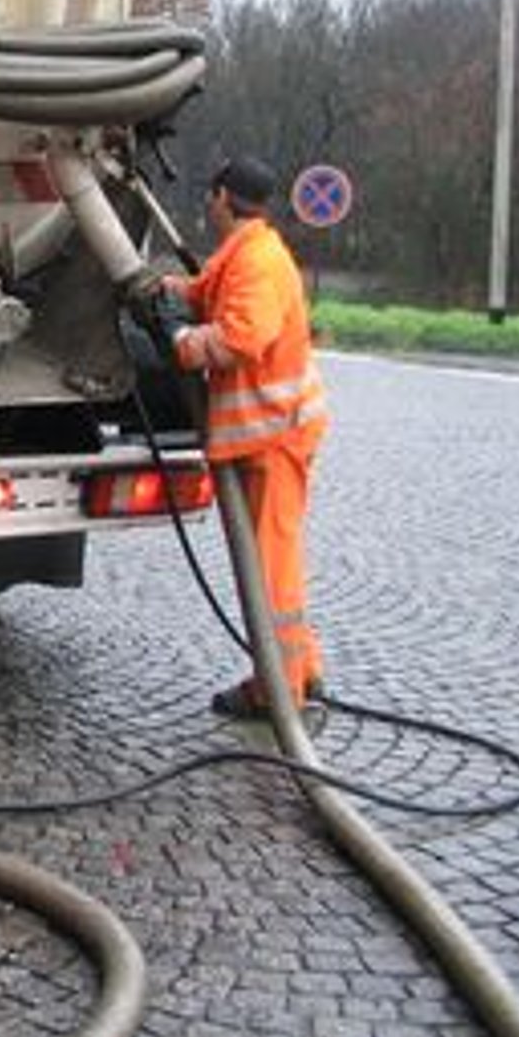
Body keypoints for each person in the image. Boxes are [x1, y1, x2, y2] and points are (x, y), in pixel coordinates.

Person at [164, 155, 329, 716]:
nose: (207, 204)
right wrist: (167, 292)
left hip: (274, 438)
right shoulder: (248, 252)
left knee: (269, 568)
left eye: (210, 195)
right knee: (275, 558)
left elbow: (242, 336)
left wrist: (183, 343)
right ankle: (301, 670)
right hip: (274, 435)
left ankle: (276, 691)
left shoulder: (257, 261)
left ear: (221, 198)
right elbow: (209, 291)